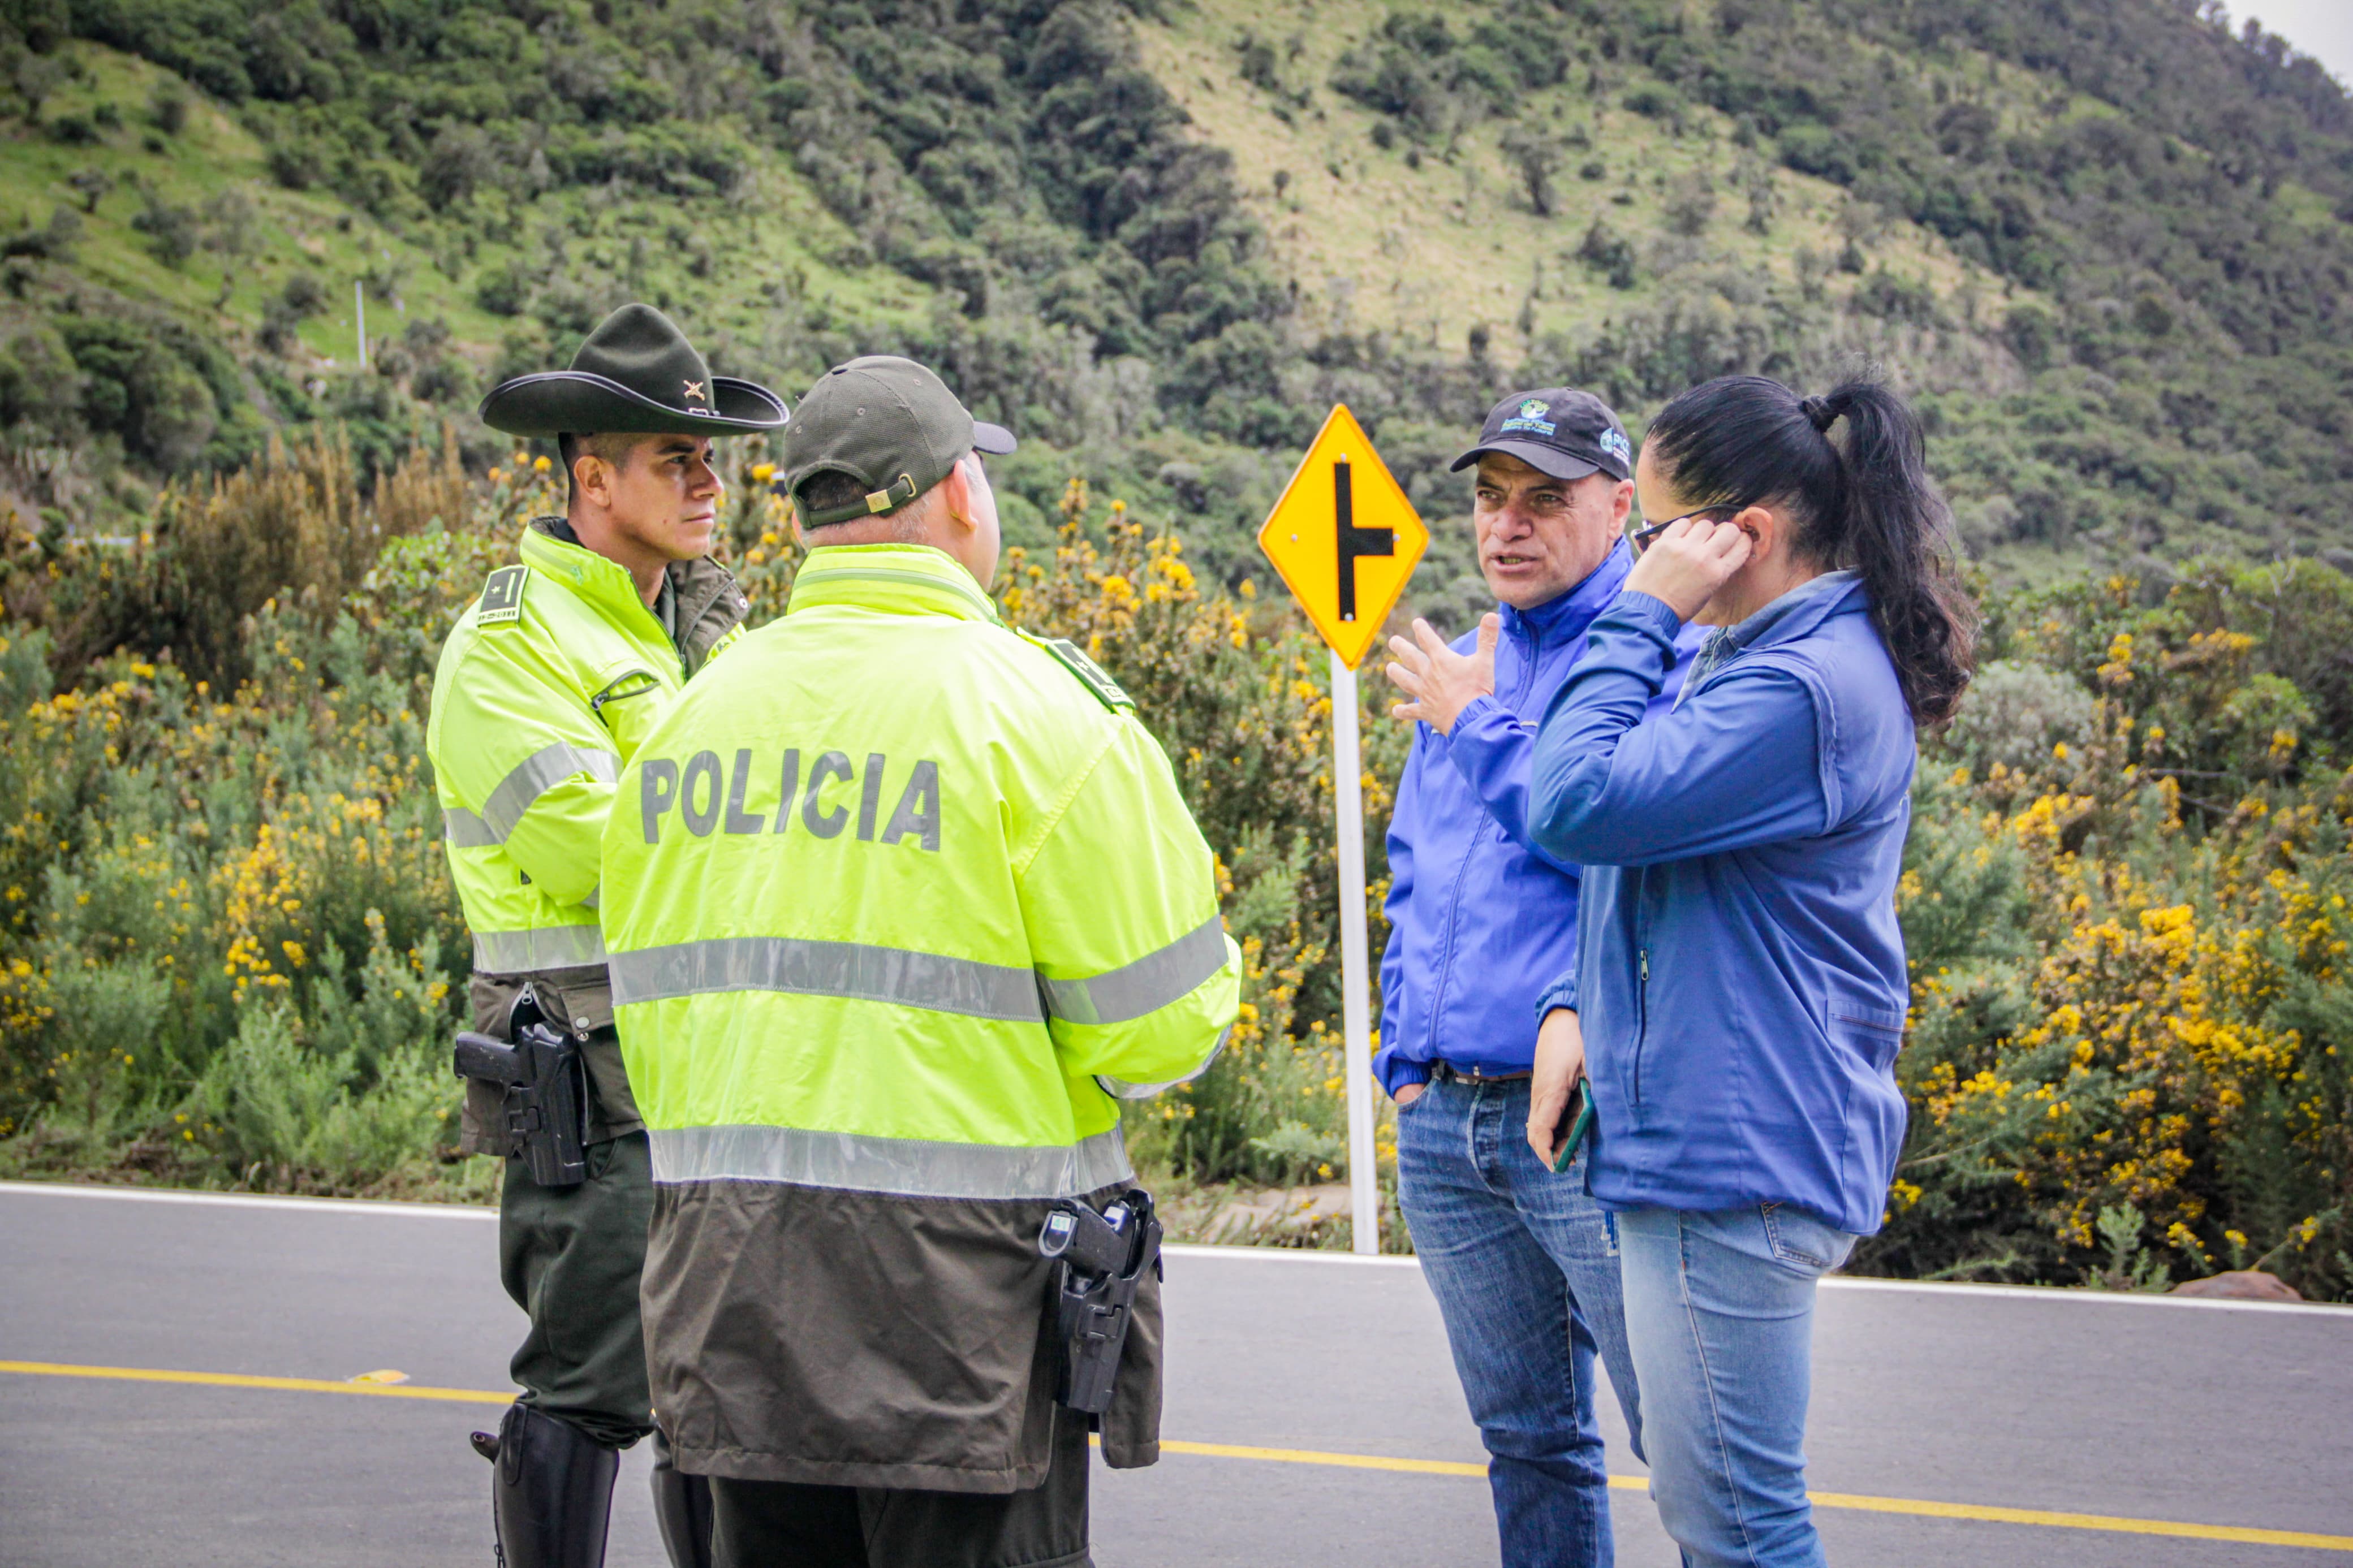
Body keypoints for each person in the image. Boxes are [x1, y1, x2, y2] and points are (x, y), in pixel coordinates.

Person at [597, 355, 1240, 1568]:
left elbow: (646, 1015)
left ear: (809, 516)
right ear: (958, 492)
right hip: (964, 1327)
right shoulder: (1045, 717)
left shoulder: (687, 721)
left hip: (729, 1309)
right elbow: (1162, 1029)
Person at [1523, 375, 1975, 1567]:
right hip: (1716, 1139)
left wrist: (1639, 616)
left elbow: (1573, 802)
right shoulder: (1770, 656)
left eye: (1655, 533)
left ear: (1746, 535)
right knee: (1720, 1511)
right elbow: (1649, 863)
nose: (1640, 557)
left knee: (1736, 1523)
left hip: (1733, 1154)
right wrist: (1575, 1002)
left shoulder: (1797, 685)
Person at [429, 303, 786, 1568]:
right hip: (593, 1074)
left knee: (719, 1394)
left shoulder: (711, 627)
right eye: (675, 460)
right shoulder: (509, 646)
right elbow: (604, 852)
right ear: (593, 480)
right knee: (591, 1383)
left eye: (711, 457)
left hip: (722, 1071)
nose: (709, 483)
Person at [1378, 388, 1699, 1566]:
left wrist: (1476, 726)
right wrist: (1402, 1058)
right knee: (1526, 1441)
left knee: (1692, 1449)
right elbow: (1416, 866)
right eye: (1489, 497)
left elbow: (1624, 843)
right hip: (1445, 1122)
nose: (1506, 525)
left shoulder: (1659, 655)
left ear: (1620, 509)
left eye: (1544, 500)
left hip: (1586, 1117)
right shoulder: (1470, 662)